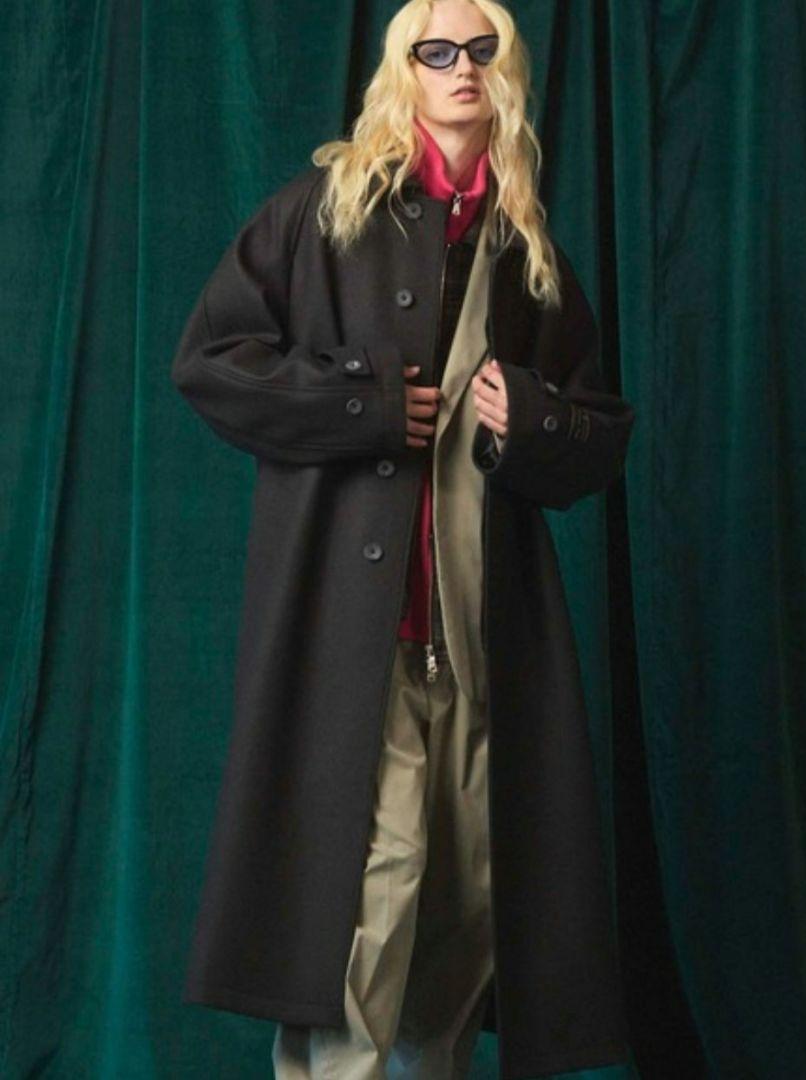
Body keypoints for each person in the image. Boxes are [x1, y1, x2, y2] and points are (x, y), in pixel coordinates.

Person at [170, 1, 637, 1078]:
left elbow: (598, 432)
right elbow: (210, 360)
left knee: (467, 900)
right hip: (356, 638)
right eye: (436, 50)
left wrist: (532, 419)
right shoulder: (325, 208)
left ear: (505, 68)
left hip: (480, 639)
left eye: (481, 49)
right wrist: (363, 403)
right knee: (370, 896)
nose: (460, 67)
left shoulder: (523, 244)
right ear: (405, 70)